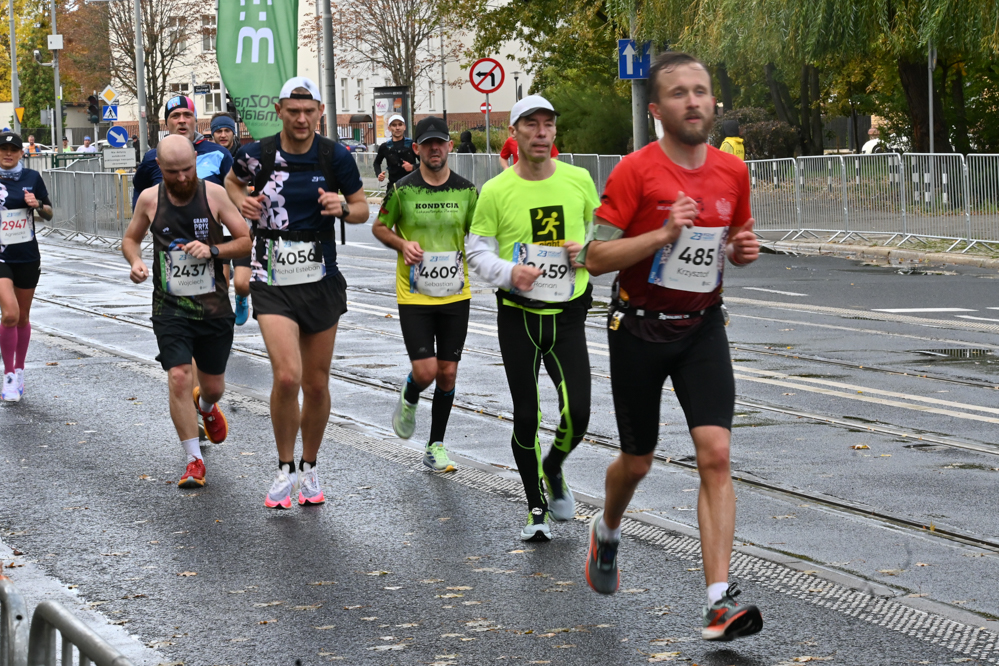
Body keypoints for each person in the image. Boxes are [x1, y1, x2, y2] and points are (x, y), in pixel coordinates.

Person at [580, 51, 763, 642]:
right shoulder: (636, 172)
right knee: (637, 461)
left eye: (702, 91)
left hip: (703, 328)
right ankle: (607, 530)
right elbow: (595, 256)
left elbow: (732, 240)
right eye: (680, 93)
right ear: (657, 110)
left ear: (713, 102)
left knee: (715, 454)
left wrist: (739, 250)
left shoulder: (732, 172)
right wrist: (661, 233)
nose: (693, 101)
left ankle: (719, 600)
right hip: (637, 327)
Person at [225, 77, 369, 509]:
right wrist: (242, 202)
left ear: (319, 111)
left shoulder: (334, 155)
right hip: (271, 277)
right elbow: (231, 184)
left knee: (317, 383)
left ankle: (310, 466)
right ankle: (284, 468)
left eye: (309, 111)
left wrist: (342, 207)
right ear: (279, 109)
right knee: (287, 376)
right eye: (293, 110)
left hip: (320, 277)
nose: (302, 118)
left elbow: (362, 208)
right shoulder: (257, 154)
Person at [467, 95, 596, 542]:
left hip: (568, 314)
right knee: (526, 415)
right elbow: (477, 250)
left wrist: (591, 251)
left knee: (577, 412)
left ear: (555, 132)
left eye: (548, 124)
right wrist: (509, 273)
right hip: (519, 315)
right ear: (515, 133)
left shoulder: (579, 180)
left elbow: (604, 232)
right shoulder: (496, 190)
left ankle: (554, 466)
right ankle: (535, 506)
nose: (541, 132)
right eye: (531, 125)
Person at [122, 135, 250, 487]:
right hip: (170, 306)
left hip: (213, 307)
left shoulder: (214, 194)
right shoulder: (150, 199)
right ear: (159, 168)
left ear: (196, 161)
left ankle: (207, 407)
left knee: (214, 386)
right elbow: (131, 239)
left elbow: (244, 239)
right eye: (173, 172)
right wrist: (135, 262)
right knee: (178, 375)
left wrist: (213, 250)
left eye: (187, 170)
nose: (181, 178)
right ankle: (193, 460)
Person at [372, 116, 478, 473]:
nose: (435, 149)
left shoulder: (466, 190)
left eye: (441, 143)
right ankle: (410, 392)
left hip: (455, 294)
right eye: (428, 144)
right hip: (415, 295)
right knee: (427, 370)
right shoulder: (402, 189)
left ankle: (436, 446)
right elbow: (379, 227)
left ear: (449, 147)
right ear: (416, 149)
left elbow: (479, 236)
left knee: (447, 373)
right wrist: (402, 244)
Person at [0, 132, 53, 402]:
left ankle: (19, 369)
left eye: (13, 149)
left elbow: (50, 212)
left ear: (22, 153)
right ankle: (8, 374)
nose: (8, 153)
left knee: (22, 317)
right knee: (9, 314)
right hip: (0, 257)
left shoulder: (32, 178)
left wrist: (38, 205)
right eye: (3, 149)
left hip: (27, 255)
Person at [132, 97, 233, 208]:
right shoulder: (152, 157)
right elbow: (139, 189)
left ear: (195, 120)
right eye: (175, 116)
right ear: (166, 122)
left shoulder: (220, 154)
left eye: (187, 115)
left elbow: (234, 191)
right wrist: (144, 219)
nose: (182, 120)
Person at [210, 112, 251, 326]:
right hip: (219, 227)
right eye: (219, 131)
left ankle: (242, 297)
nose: (223, 135)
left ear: (233, 132)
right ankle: (223, 328)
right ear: (213, 133)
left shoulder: (245, 154)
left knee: (243, 283)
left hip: (243, 225)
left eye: (227, 130)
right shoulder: (209, 155)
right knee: (222, 282)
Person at [373, 115, 418, 188]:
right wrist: (379, 174)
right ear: (389, 128)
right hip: (393, 187)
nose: (397, 128)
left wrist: (413, 167)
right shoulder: (385, 147)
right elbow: (376, 163)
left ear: (404, 127)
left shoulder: (412, 144)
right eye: (394, 125)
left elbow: (424, 163)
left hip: (412, 186)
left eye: (400, 124)